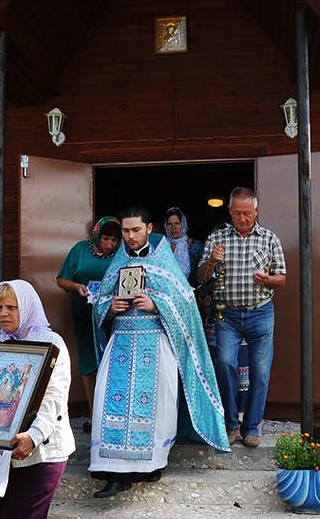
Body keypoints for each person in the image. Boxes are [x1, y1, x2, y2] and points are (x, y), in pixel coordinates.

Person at [89, 206, 230, 499]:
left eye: (135, 230)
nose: (129, 236)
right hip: (121, 346)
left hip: (155, 344)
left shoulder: (164, 259)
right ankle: (115, 475)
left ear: (149, 228)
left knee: (157, 408)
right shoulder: (118, 262)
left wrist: (157, 305)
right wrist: (108, 308)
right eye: (125, 231)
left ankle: (151, 464)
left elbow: (185, 302)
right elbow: (101, 301)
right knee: (110, 403)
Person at [0, 280, 75, 519]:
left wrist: (33, 436)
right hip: (3, 453)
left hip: (43, 454)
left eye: (11, 307)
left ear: (27, 308)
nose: (3, 313)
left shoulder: (52, 344)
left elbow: (53, 400)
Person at [197, 187, 286, 448]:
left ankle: (251, 427)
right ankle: (230, 424)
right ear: (230, 211)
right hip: (227, 314)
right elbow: (200, 278)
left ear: (256, 211)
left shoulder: (270, 239)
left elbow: (282, 279)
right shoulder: (217, 238)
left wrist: (268, 279)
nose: (242, 219)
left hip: (261, 311)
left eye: (247, 213)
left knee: (260, 371)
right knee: (224, 363)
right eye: (237, 213)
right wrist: (211, 261)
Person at [55, 216, 122, 431]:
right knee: (88, 362)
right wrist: (76, 287)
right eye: (105, 238)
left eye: (113, 240)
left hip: (113, 316)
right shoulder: (80, 250)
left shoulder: (121, 253)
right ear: (96, 235)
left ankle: (114, 413)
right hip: (85, 313)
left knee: (113, 361)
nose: (109, 244)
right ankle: (94, 415)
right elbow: (61, 279)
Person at [164, 207, 205, 287]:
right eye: (170, 224)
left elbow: (205, 272)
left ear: (183, 224)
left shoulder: (195, 246)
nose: (173, 227)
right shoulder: (162, 246)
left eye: (177, 223)